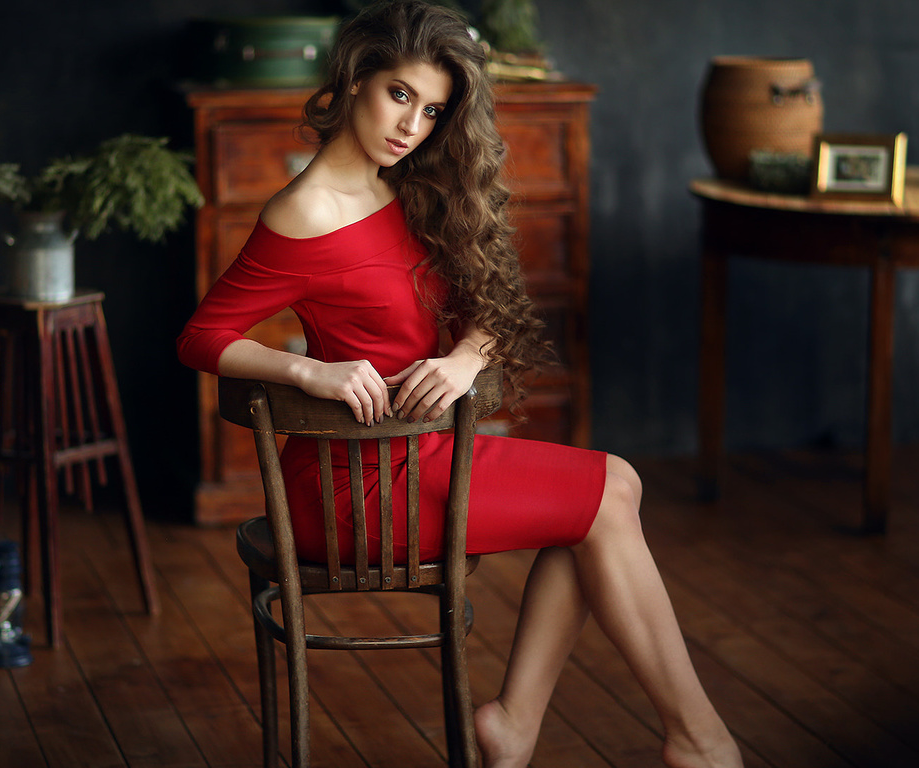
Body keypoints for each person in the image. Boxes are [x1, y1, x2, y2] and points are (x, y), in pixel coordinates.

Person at [176, 2, 743, 766]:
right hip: (356, 485)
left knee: (607, 500)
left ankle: (523, 728)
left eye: (433, 108)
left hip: (420, 453)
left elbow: (486, 315)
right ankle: (693, 739)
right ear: (354, 81)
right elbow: (201, 337)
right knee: (612, 492)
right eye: (400, 94)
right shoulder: (303, 213)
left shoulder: (403, 188)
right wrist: (309, 367)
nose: (412, 123)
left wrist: (463, 361)